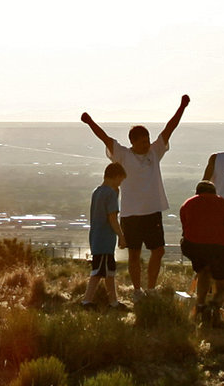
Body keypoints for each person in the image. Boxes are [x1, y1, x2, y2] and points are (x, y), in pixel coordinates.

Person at [80, 94, 188, 296]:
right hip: (130, 214)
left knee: (158, 251)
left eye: (147, 140)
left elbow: (170, 128)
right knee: (134, 253)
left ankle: (151, 288)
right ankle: (137, 290)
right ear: (133, 142)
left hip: (153, 211)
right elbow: (104, 137)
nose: (146, 145)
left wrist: (182, 107)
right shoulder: (123, 155)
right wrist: (89, 122)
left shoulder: (155, 152)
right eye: (142, 142)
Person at [179, 180, 224, 325]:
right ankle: (214, 304)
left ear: (197, 192)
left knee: (204, 271)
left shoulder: (187, 203)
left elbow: (185, 229)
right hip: (219, 248)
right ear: (214, 192)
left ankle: (200, 305)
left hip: (193, 246)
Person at [86, 163, 123, 306]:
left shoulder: (97, 192)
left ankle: (113, 302)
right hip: (105, 240)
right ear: (116, 177)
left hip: (96, 238)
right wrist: (121, 235)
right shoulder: (110, 194)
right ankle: (87, 300)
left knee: (109, 272)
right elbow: (112, 218)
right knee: (98, 272)